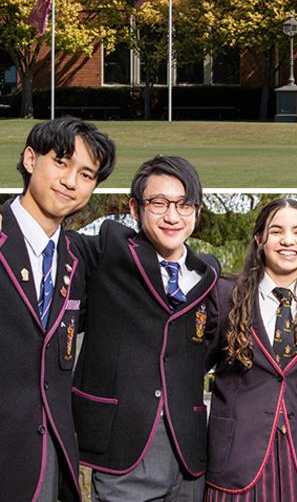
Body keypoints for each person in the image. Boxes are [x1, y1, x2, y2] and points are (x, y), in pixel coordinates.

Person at [73, 155, 221, 501]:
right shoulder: (109, 250)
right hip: (121, 453)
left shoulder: (208, 273)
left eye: (185, 205)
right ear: (135, 209)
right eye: (159, 203)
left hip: (187, 457)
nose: (172, 216)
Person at [1, 117, 115, 502]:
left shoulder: (76, 259)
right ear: (30, 159)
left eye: (87, 174)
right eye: (61, 162)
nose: (71, 182)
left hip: (53, 460)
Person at [203, 199, 297, 501]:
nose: (288, 240)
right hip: (237, 465)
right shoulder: (225, 295)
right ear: (260, 239)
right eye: (276, 231)